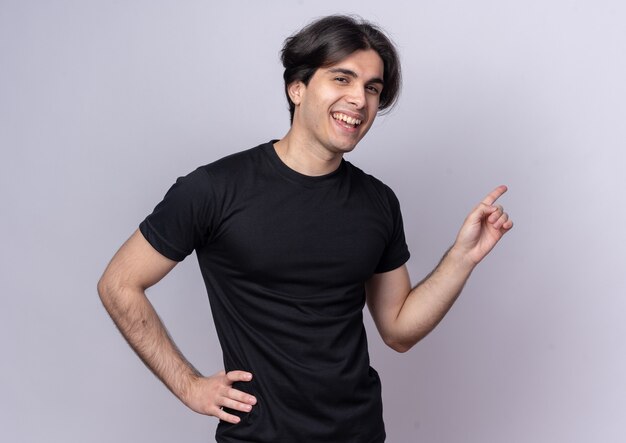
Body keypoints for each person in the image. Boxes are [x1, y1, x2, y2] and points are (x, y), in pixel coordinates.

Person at [98, 15, 513, 443]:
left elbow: (399, 329)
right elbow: (119, 283)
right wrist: (189, 385)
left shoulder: (377, 201)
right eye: (342, 79)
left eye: (372, 87)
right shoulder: (214, 189)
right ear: (297, 88)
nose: (360, 99)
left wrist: (463, 257)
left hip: (360, 433)